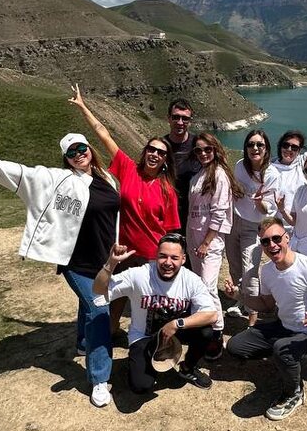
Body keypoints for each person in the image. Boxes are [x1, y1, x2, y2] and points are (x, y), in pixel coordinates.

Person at [0, 133, 119, 407]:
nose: (78, 155)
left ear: (90, 149)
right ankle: (99, 378)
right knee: (99, 310)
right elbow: (23, 174)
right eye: (71, 153)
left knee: (89, 305)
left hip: (105, 260)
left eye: (82, 148)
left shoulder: (107, 178)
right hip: (76, 262)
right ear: (66, 159)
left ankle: (83, 344)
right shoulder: (58, 180)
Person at [68, 85, 180, 329]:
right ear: (145, 152)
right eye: (151, 149)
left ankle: (148, 337)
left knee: (149, 301)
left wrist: (168, 258)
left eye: (160, 153)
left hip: (151, 255)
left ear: (165, 160)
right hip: (123, 250)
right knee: (116, 293)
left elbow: (171, 230)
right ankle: (111, 330)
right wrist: (84, 107)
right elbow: (103, 134)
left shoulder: (167, 190)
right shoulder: (128, 169)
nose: (154, 154)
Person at [225, 216, 307, 421]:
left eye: (276, 238)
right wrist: (239, 296)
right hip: (284, 327)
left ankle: (293, 392)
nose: (272, 245)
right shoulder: (267, 271)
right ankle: (286, 360)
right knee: (236, 346)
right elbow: (267, 306)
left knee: (282, 349)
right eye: (265, 241)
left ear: (287, 238)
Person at [93, 233, 217, 394]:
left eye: (174, 258)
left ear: (183, 259)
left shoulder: (191, 280)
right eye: (163, 256)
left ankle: (187, 368)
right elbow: (99, 290)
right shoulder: (139, 275)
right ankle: (142, 360)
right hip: (143, 336)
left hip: (174, 332)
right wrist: (111, 263)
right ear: (156, 256)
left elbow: (211, 314)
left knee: (206, 332)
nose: (168, 262)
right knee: (141, 386)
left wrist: (177, 323)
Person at [186, 132, 240, 359]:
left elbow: (219, 213)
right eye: (198, 150)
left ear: (215, 150)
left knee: (208, 287)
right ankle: (202, 327)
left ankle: (217, 333)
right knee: (198, 286)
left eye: (207, 149)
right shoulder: (199, 174)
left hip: (210, 241)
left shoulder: (219, 175)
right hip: (193, 237)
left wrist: (207, 242)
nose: (203, 153)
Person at [225, 129, 280, 321]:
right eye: (251, 144)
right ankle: (241, 300)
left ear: (266, 148)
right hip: (234, 221)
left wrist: (259, 203)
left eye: (259, 145)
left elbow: (268, 209)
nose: (255, 148)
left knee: (250, 270)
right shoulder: (240, 166)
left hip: (254, 227)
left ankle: (252, 319)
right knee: (234, 265)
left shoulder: (272, 174)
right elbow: (235, 191)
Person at [164, 97, 198, 231]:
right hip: (167, 213)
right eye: (176, 117)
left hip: (195, 214)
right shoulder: (160, 146)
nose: (180, 122)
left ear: (190, 121)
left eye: (185, 119)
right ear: (168, 118)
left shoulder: (199, 146)